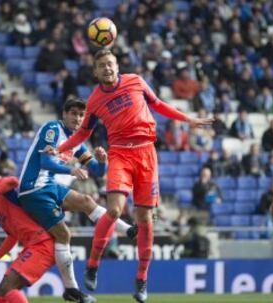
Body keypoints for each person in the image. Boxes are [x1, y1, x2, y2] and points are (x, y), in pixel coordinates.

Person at [44, 49, 213, 303]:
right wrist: (60, 149)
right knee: (113, 210)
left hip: (146, 153)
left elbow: (157, 105)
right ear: (96, 71)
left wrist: (187, 119)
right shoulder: (94, 100)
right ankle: (92, 265)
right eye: (102, 66)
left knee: (145, 219)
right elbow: (82, 135)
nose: (108, 68)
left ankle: (142, 279)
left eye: (110, 64)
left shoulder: (135, 80)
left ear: (117, 65)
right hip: (120, 155)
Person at [18, 97, 137, 300]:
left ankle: (131, 231)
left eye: (81, 115)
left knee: (87, 202)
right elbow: (45, 161)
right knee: (64, 235)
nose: (77, 118)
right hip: (32, 189)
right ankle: (71, 289)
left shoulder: (78, 142)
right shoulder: (53, 129)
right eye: (73, 113)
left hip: (49, 186)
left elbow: (97, 171)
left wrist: (103, 161)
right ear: (64, 114)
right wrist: (71, 169)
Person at [0, 166, 96, 303]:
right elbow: (12, 236)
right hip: (32, 246)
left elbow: (12, 181)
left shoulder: (5, 190)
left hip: (43, 243)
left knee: (7, 288)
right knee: (1, 291)